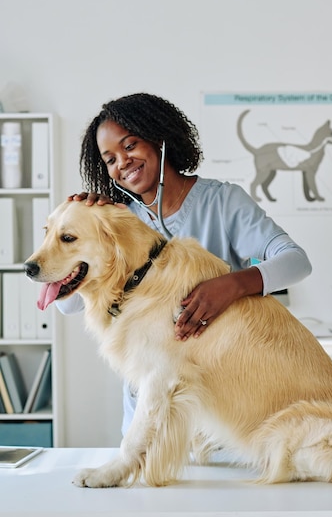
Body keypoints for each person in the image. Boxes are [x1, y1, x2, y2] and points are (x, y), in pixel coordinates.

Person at [57, 92, 312, 434]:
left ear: (159, 138)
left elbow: (296, 262)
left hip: (220, 410)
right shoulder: (117, 222)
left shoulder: (222, 202)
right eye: (110, 159)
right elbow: (69, 305)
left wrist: (233, 285)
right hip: (149, 417)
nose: (123, 163)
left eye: (130, 145)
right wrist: (80, 229)